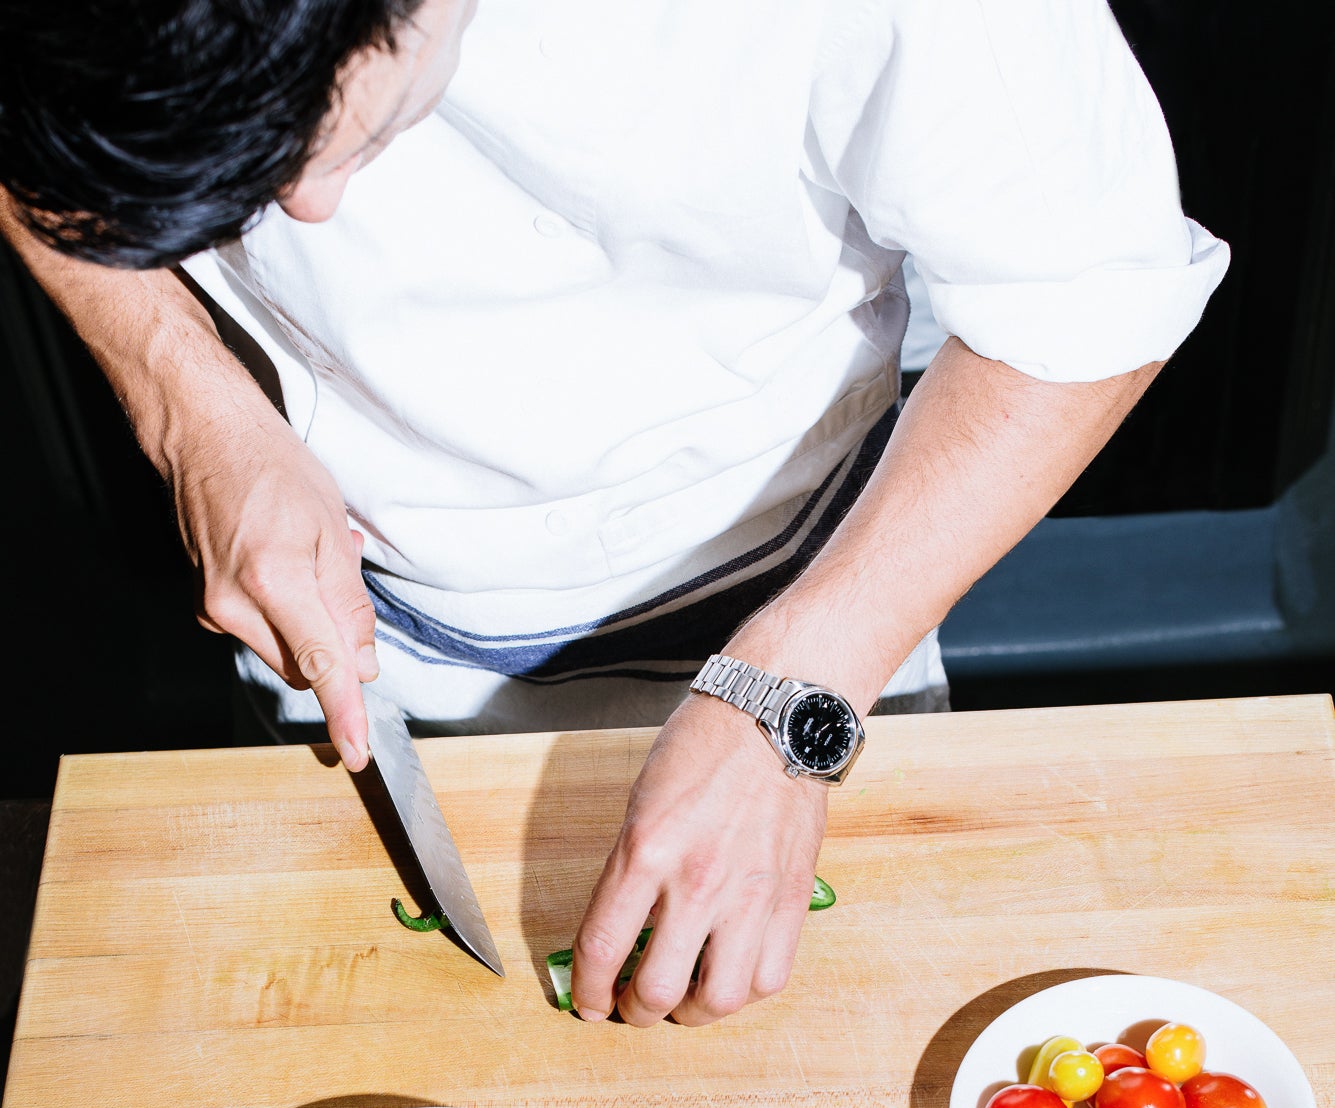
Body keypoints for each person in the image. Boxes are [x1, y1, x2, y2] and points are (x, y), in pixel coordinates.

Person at [0, 0, 1227, 1026]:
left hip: (818, 607)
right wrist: (192, 405)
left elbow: (1092, 306)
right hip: (357, 631)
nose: (301, 212)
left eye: (328, 134)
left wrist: (790, 699)